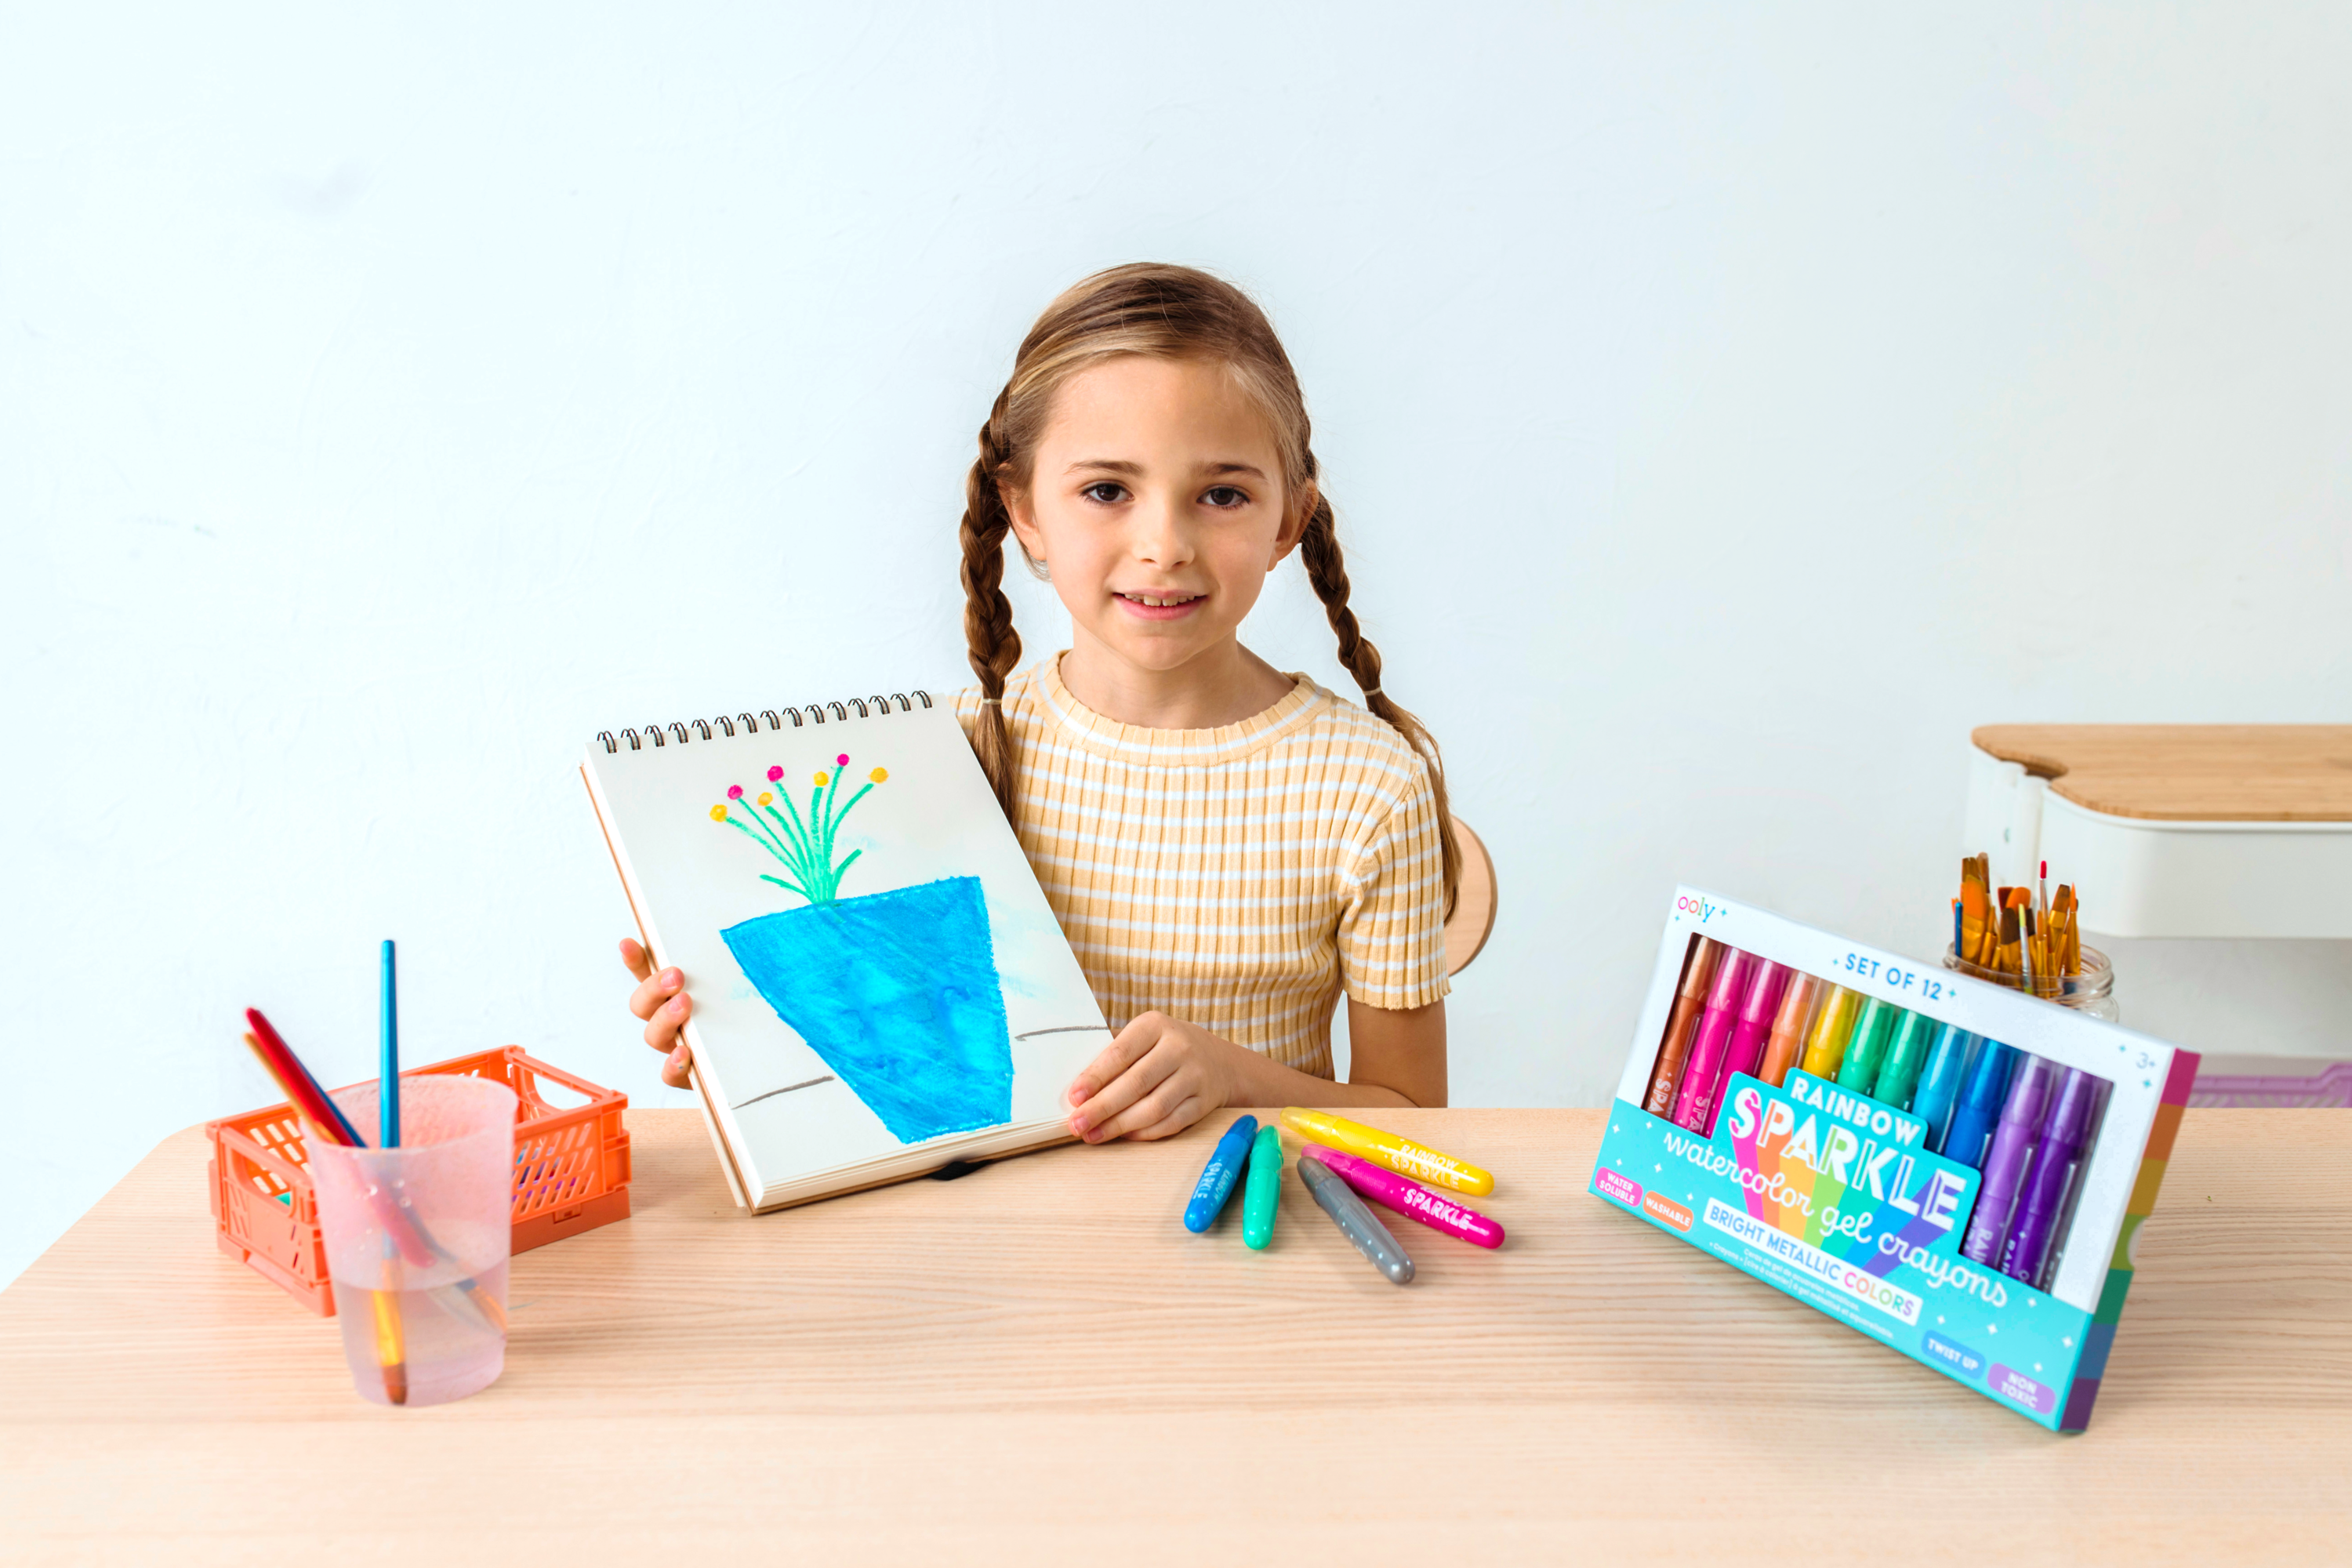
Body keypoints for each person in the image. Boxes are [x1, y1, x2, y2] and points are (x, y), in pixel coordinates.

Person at [622, 263, 1461, 1142]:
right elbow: (899, 1055)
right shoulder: (940, 758)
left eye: (1222, 494)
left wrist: (1232, 1077)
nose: (1163, 544)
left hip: (1243, 1244)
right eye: (1107, 491)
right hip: (993, 1246)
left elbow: (1417, 1122)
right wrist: (735, 1041)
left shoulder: (1371, 785)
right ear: (1023, 510)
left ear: (1289, 518)